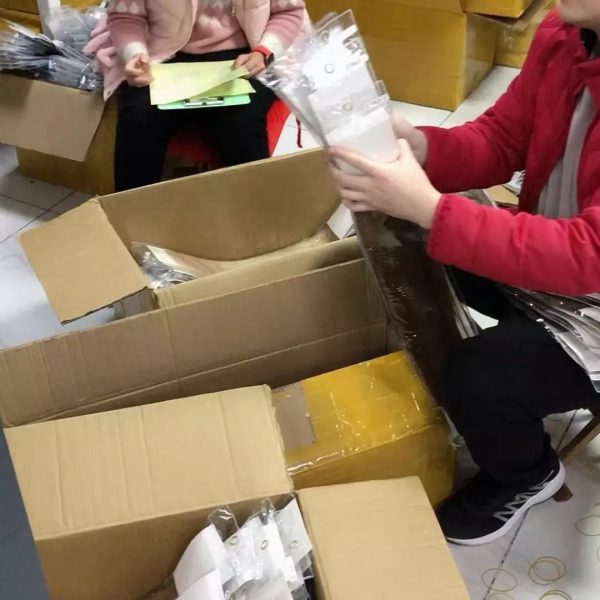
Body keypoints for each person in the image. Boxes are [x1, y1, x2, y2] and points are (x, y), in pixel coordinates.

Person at [329, 0, 600, 546]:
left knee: (482, 375)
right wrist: (421, 146)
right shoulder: (565, 33)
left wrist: (432, 208)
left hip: (586, 282)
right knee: (413, 235)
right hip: (560, 263)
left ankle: (527, 474)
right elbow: (503, 137)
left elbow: (588, 253)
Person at [98, 0, 306, 191]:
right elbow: (125, 18)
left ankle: (255, 210)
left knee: (242, 123)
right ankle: (132, 212)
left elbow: (289, 12)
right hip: (163, 53)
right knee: (138, 117)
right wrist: (134, 54)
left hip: (248, 51)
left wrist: (264, 52)